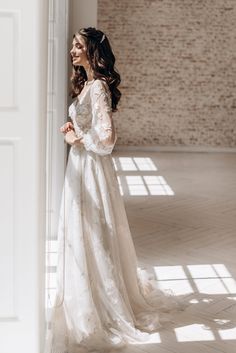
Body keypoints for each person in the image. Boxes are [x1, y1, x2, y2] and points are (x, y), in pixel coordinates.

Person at [44, 27, 184, 353]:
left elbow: (107, 140)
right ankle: (82, 294)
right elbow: (94, 127)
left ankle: (101, 303)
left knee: (92, 230)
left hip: (90, 167)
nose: (72, 50)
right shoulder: (88, 85)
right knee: (81, 230)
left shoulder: (98, 88)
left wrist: (77, 139)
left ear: (93, 51)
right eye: (73, 45)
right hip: (81, 167)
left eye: (78, 46)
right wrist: (76, 127)